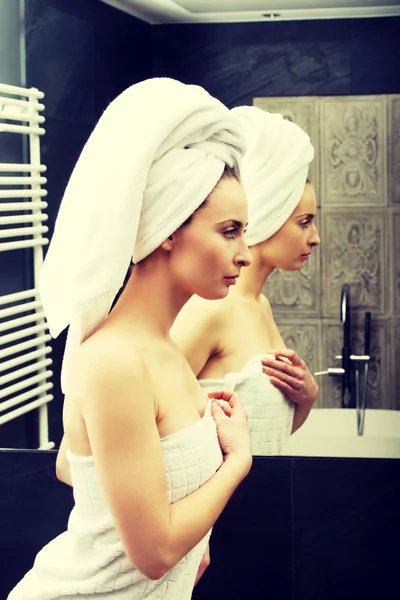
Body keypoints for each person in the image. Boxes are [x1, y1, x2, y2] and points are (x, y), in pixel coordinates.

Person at [8, 78, 253, 600]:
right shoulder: (115, 359)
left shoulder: (162, 352)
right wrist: (236, 462)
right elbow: (154, 553)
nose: (246, 254)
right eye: (230, 231)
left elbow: (73, 466)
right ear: (167, 227)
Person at [171, 106, 321, 458]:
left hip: (252, 499)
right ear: (268, 216)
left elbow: (265, 430)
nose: (315, 238)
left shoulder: (259, 305)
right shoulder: (210, 309)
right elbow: (154, 428)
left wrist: (307, 397)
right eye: (304, 222)